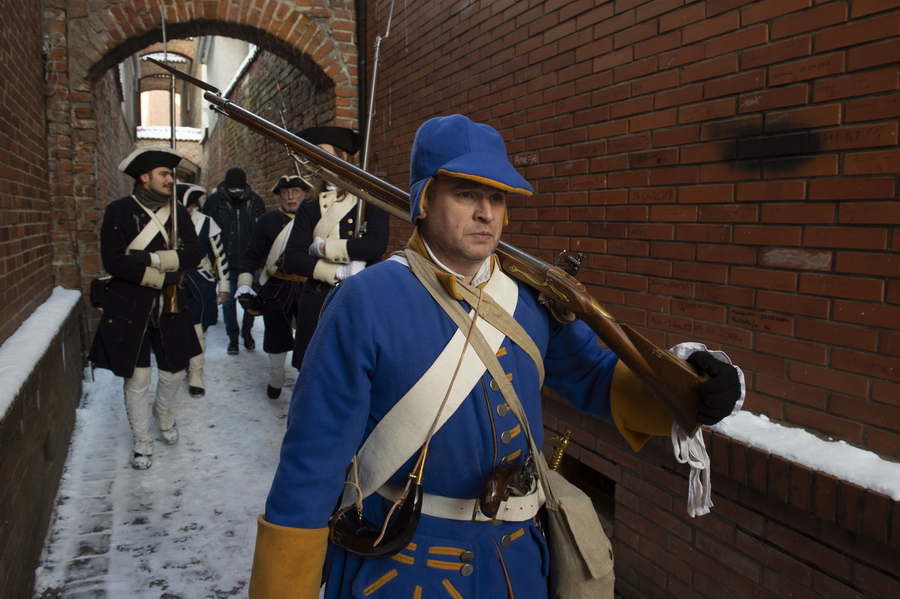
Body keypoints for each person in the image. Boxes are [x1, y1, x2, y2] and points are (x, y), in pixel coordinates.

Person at [248, 115, 744, 598]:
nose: (486, 212)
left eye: (497, 197)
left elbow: (598, 378)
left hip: (518, 565)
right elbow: (311, 464)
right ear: (422, 200)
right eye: (466, 194)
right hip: (400, 568)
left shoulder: (527, 299)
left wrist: (693, 388)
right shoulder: (364, 300)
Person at [89, 146, 202, 471]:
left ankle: (163, 412)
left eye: (173, 175)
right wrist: (162, 273)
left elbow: (193, 254)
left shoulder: (177, 211)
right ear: (144, 177)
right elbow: (114, 261)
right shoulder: (119, 210)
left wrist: (152, 259)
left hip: (171, 302)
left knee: (175, 370)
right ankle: (142, 439)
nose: (172, 180)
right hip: (130, 306)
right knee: (137, 377)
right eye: (165, 175)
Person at [281, 126, 390, 369]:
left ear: (341, 157)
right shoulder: (309, 205)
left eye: (320, 152)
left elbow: (374, 245)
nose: (314, 160)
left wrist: (323, 248)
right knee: (313, 371)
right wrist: (337, 272)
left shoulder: (370, 196)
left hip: (360, 296)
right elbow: (293, 258)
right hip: (317, 300)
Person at [235, 175, 312, 399]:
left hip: (308, 285)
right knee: (276, 335)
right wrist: (245, 283)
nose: (290, 196)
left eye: (296, 191)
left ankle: (307, 382)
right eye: (285, 192)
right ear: (279, 195)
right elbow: (252, 254)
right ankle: (277, 375)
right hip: (277, 285)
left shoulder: (315, 218)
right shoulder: (267, 221)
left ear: (304, 193)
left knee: (309, 336)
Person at [202, 167, 266, 355]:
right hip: (226, 263)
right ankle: (233, 338)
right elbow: (208, 234)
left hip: (250, 262)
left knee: (249, 301)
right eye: (233, 188)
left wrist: (261, 261)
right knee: (229, 303)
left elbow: (262, 233)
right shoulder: (214, 202)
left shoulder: (255, 201)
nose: (236, 191)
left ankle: (247, 332)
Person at [178, 183, 230, 398]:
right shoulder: (164, 221)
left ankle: (196, 373)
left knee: (199, 330)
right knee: (175, 328)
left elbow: (220, 256)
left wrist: (224, 285)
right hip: (173, 280)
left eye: (188, 208)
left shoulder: (206, 222)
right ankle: (180, 364)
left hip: (200, 280)